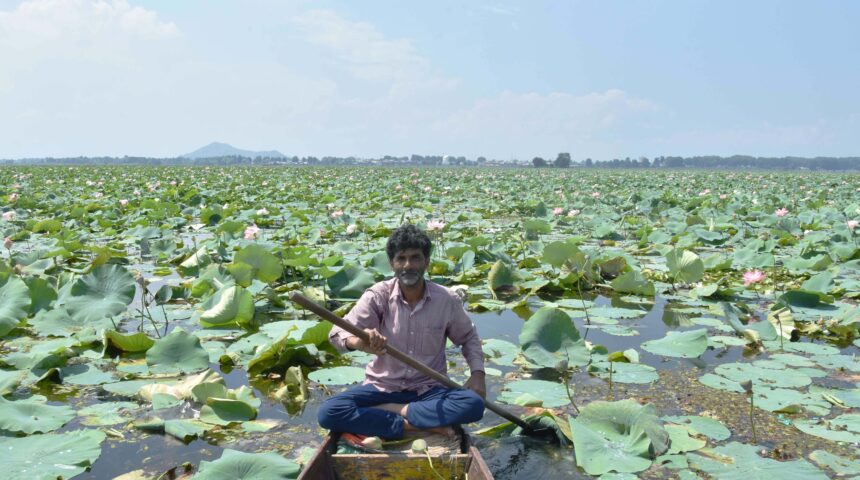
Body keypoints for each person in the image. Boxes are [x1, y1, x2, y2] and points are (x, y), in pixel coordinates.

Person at [317, 224, 486, 440]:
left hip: (429, 390)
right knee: (329, 411)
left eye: (415, 258)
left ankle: (392, 411)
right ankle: (413, 426)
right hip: (382, 388)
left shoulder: (446, 299)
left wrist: (478, 374)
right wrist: (359, 342)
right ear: (392, 264)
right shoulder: (378, 296)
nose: (408, 265)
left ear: (427, 262)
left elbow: (468, 337)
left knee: (473, 405)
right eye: (401, 258)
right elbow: (337, 334)